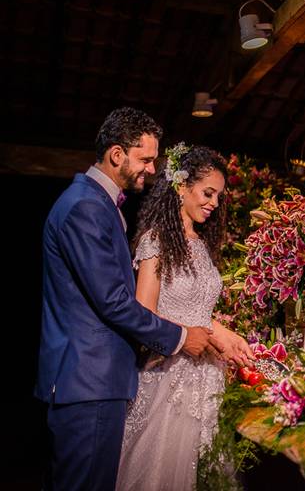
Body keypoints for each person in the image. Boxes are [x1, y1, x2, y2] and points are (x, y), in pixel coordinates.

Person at [36, 107, 217, 491]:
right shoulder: (85, 206)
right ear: (117, 154)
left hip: (96, 382)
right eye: (146, 159)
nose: (152, 170)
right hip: (89, 382)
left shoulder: (101, 206)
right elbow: (114, 302)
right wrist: (182, 337)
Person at [116, 144, 254, 491]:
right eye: (208, 193)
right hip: (169, 378)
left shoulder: (202, 246)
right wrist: (201, 335)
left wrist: (226, 335)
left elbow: (199, 311)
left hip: (208, 378)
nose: (214, 203)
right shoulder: (156, 241)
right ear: (181, 187)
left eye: (219, 197)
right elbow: (144, 317)